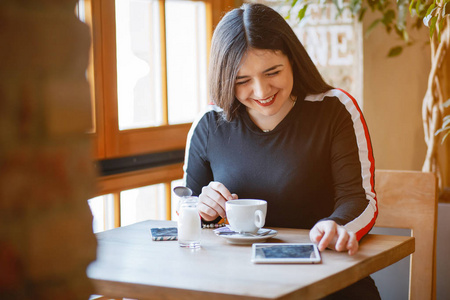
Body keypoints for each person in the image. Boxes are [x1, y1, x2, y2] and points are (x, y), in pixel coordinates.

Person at [182, 3, 379, 299]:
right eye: (242, 81)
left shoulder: (334, 109)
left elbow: (360, 201)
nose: (261, 91)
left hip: (327, 280)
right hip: (237, 286)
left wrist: (335, 226)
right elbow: (187, 208)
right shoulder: (210, 124)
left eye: (272, 72)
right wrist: (203, 210)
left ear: (293, 60)